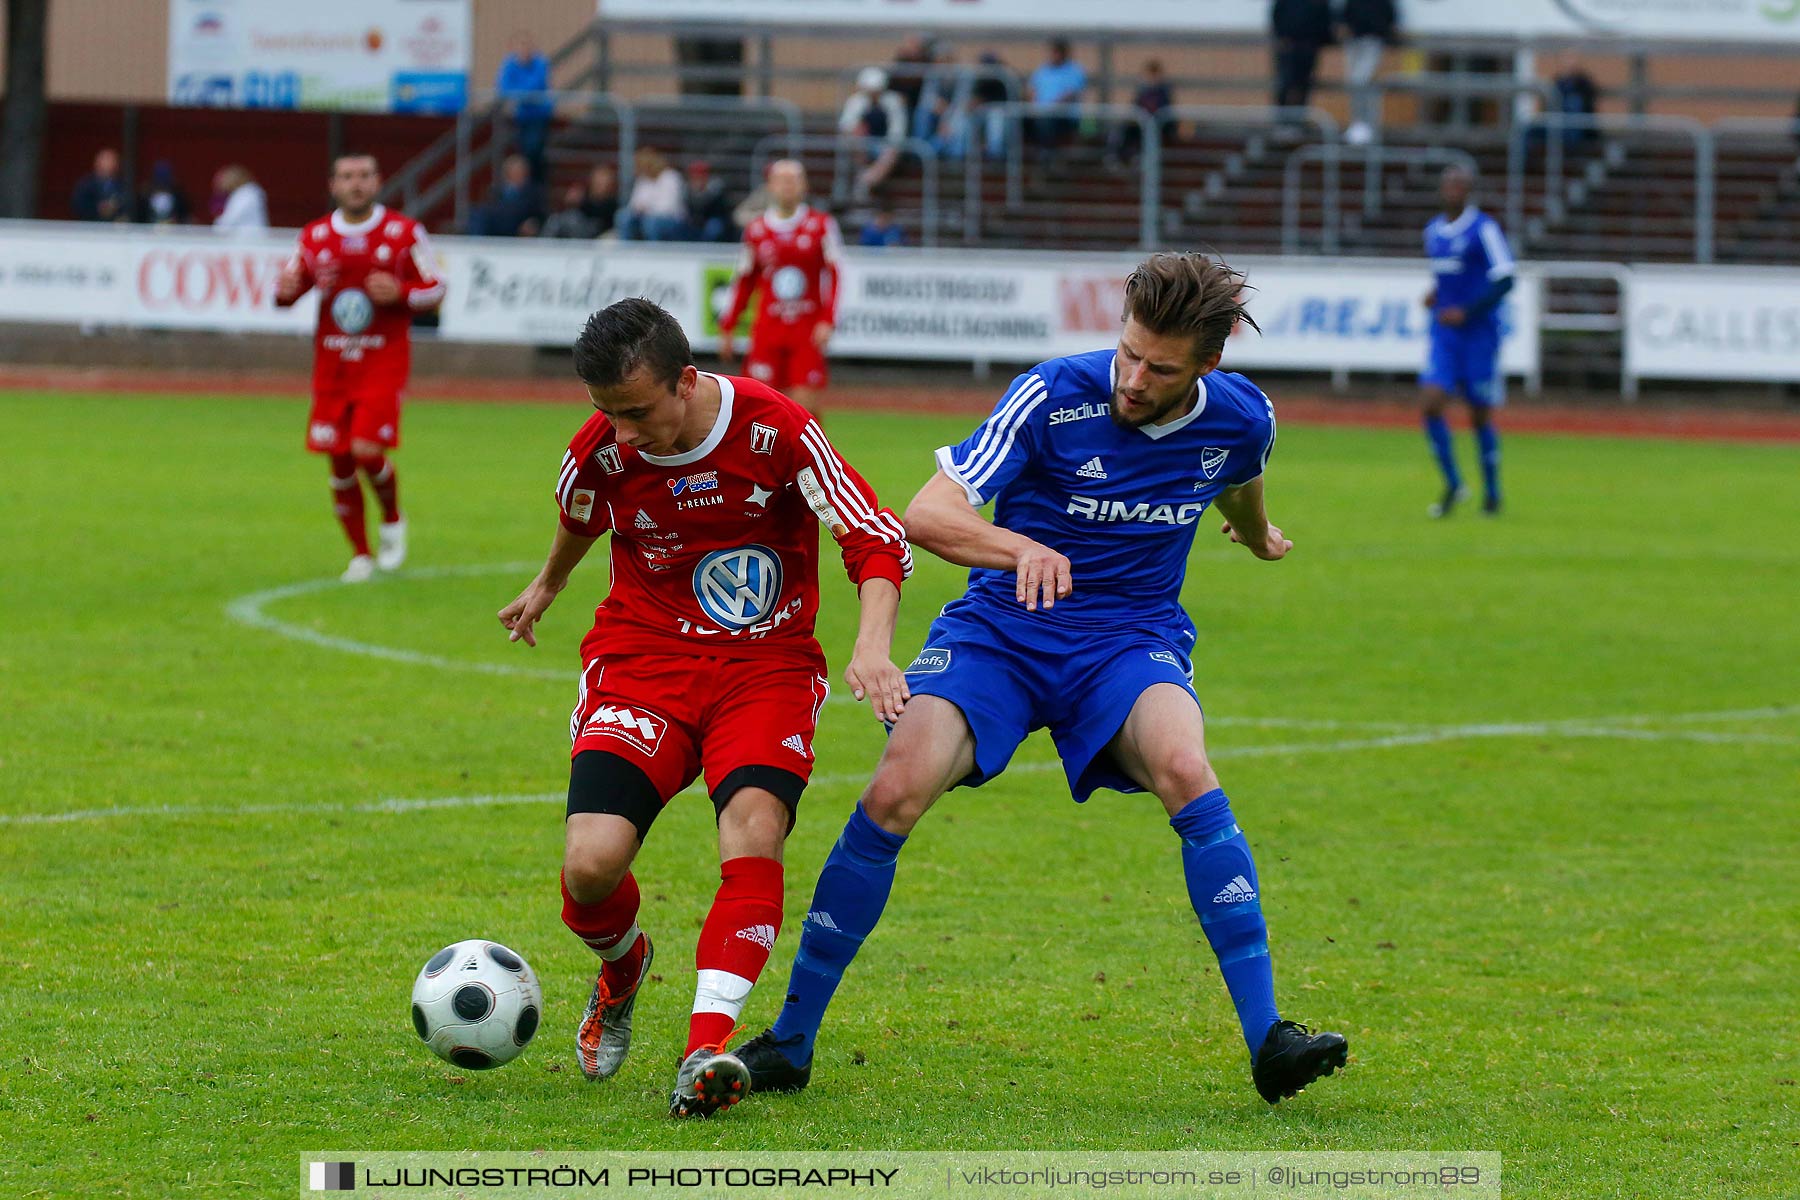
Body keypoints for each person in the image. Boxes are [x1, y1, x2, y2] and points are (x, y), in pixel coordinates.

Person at [736, 250, 1349, 1107]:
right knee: (893, 792)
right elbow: (927, 513)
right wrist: (1018, 547)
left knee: (1186, 771)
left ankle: (1270, 1041)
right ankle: (790, 1041)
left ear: (1208, 367)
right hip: (1003, 634)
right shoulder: (1052, 393)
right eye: (1128, 352)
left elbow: (1237, 481)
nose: (1133, 379)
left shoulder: (1243, 418)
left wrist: (1255, 532)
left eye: (1160, 368)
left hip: (1128, 641)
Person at [495, 298, 912, 1118]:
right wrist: (549, 584)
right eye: (606, 415)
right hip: (643, 661)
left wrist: (872, 646)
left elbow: (874, 538)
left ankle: (703, 1050)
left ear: (686, 382)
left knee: (754, 829)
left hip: (767, 665)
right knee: (590, 867)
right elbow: (581, 513)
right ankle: (623, 968)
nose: (621, 434)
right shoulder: (602, 453)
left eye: (637, 412)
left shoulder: (777, 429)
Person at [275, 154, 446, 582]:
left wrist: (401, 292)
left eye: (365, 176)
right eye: (348, 177)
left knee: (366, 450)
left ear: (378, 181)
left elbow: (437, 288)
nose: (356, 184)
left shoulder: (404, 233)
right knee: (338, 461)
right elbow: (287, 289)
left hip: (381, 363)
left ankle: (391, 517)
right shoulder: (314, 237)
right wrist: (285, 292)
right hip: (332, 367)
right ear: (333, 184)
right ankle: (361, 555)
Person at [1420, 165, 1514, 518]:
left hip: (1478, 335)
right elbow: (1449, 280)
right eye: (1448, 184)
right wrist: (1435, 295)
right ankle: (1454, 484)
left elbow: (1505, 279)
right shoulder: (1433, 231)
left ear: (1469, 190)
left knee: (1478, 414)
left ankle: (1492, 493)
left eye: (1459, 185)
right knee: (1430, 402)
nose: (1453, 190)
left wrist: (1468, 310)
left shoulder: (1483, 229)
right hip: (1444, 334)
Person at [718, 159, 843, 415]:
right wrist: (729, 325)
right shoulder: (756, 229)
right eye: (782, 181)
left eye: (793, 180)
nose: (788, 186)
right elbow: (745, 280)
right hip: (768, 331)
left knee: (805, 411)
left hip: (805, 331)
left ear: (804, 186)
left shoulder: (821, 225)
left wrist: (828, 319)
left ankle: (809, 455)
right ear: (771, 186)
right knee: (759, 409)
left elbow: (836, 274)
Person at [838, 67, 908, 201]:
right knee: (854, 140)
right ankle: (866, 181)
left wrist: (889, 147)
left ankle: (863, 183)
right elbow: (846, 127)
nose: (873, 95)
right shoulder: (856, 101)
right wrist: (857, 131)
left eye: (876, 91)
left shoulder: (893, 102)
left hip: (885, 146)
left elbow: (898, 132)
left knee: (890, 153)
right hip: (863, 146)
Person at [496, 31, 553, 178]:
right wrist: (520, 94)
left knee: (533, 149)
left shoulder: (541, 63)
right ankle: (526, 182)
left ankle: (535, 181)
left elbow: (535, 85)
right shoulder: (510, 64)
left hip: (539, 115)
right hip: (520, 115)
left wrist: (517, 93)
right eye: (520, 47)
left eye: (526, 46)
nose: (524, 50)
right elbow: (503, 88)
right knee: (521, 149)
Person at [1340, 0, 1398, 146]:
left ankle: (1367, 124)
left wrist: (1383, 32)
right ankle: (1358, 123)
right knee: (1353, 83)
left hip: (1373, 41)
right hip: (1354, 42)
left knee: (1360, 81)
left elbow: (1390, 17)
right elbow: (1345, 15)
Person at [1025, 39, 1088, 169]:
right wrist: (1033, 106)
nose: (1052, 56)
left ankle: (1047, 156)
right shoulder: (1043, 70)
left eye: (1055, 53)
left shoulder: (1075, 71)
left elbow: (1071, 94)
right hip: (1040, 114)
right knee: (1020, 119)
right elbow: (1032, 91)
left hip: (1063, 117)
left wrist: (1050, 108)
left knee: (1046, 121)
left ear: (1063, 54)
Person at [1270, 0, 1334, 127]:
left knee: (1303, 85)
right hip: (1288, 46)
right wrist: (1281, 36)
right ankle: (1281, 122)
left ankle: (1298, 122)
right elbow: (1277, 15)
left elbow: (1324, 20)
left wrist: (1321, 40)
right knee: (1286, 84)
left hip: (1309, 47)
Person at [1105, 60, 1173, 169]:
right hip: (1139, 123)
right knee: (1120, 129)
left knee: (1147, 132)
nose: (1151, 78)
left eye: (1153, 74)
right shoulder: (1143, 91)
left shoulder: (1163, 92)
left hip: (1156, 126)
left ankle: (1139, 158)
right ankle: (1115, 156)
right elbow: (1135, 106)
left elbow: (1163, 110)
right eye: (1149, 74)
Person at [618, 147, 687, 242]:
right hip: (645, 218)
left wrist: (647, 209)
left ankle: (654, 249)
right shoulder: (643, 180)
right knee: (623, 216)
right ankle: (626, 248)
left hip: (672, 220)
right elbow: (633, 204)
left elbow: (669, 207)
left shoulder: (671, 177)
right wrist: (639, 209)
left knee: (651, 222)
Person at [470, 154, 546, 237]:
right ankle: (477, 242)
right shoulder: (497, 190)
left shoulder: (534, 192)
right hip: (497, 222)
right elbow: (490, 207)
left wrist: (534, 223)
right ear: (507, 174)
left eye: (519, 172)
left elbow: (541, 214)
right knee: (479, 214)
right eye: (514, 172)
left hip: (517, 224)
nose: (517, 175)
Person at [71, 149, 129, 222]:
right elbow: (78, 206)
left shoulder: (122, 185)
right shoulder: (86, 184)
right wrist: (98, 208)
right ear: (97, 162)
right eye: (106, 159)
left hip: (115, 228)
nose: (110, 163)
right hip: (90, 227)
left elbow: (129, 206)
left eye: (113, 160)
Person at [683, 160, 734, 243]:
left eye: (700, 175)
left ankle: (707, 249)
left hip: (714, 220)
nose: (697, 178)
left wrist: (703, 193)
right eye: (695, 175)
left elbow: (719, 211)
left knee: (713, 227)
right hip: (694, 222)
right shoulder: (686, 190)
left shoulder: (717, 188)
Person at [211, 165, 268, 235]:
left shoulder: (247, 193)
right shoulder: (242, 193)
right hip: (245, 239)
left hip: (249, 240)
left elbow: (229, 220)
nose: (223, 182)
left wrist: (217, 228)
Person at [135, 161, 191, 226]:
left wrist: (177, 222)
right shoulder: (144, 198)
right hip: (148, 234)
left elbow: (186, 217)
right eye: (159, 185)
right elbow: (138, 220)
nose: (162, 188)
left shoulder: (179, 197)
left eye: (165, 185)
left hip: (175, 233)